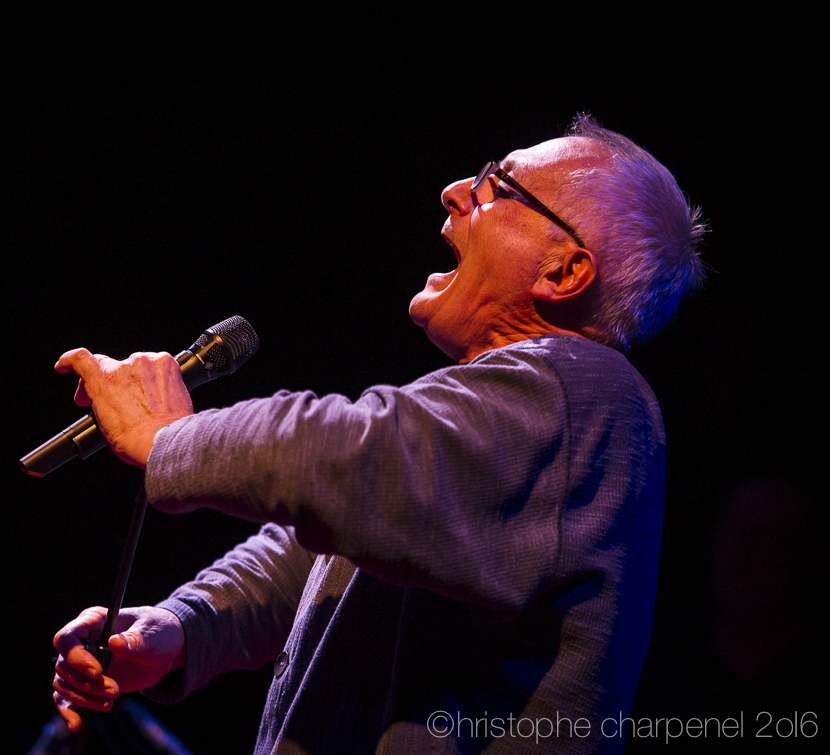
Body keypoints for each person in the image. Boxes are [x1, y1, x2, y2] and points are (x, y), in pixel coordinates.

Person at [50, 114, 706, 753]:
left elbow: (355, 460)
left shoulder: (586, 392)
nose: (455, 191)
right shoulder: (507, 414)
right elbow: (317, 561)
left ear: (564, 271)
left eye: (497, 188)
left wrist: (173, 438)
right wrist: (182, 626)